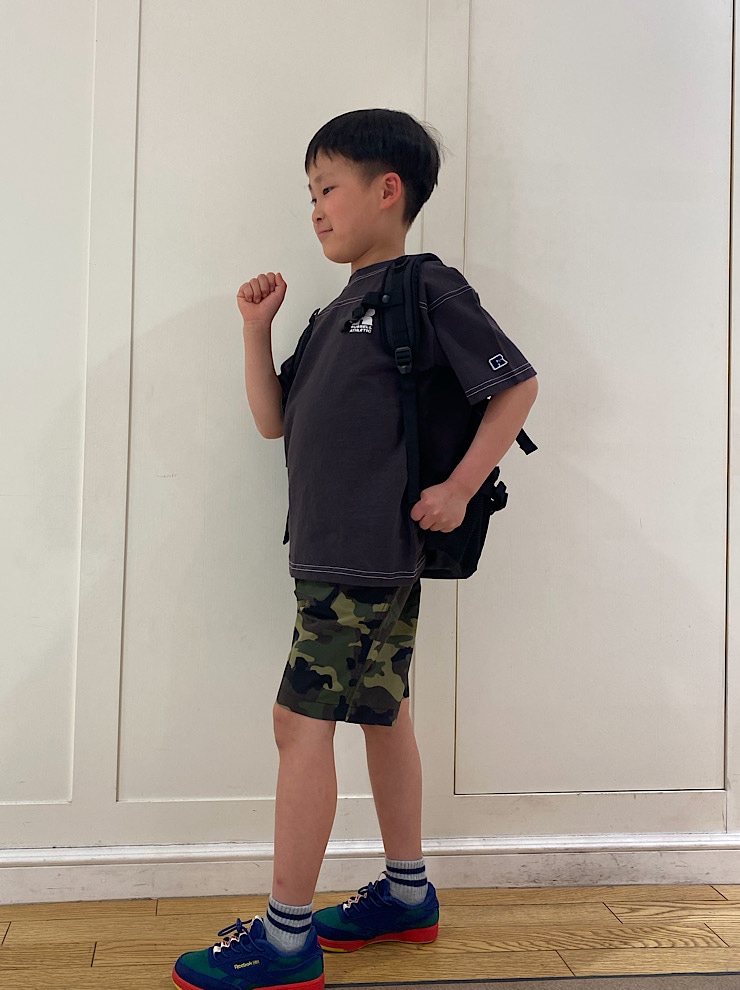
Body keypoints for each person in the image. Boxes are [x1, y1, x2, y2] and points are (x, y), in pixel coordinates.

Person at [172, 109, 538, 990]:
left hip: (366, 556)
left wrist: (459, 488)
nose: (315, 209)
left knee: (298, 724)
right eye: (309, 193)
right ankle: (407, 896)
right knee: (382, 711)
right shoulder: (335, 309)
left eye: (327, 187)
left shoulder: (425, 287)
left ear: (388, 190)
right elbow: (274, 420)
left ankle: (286, 940)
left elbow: (515, 385)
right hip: (333, 553)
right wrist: (256, 329)